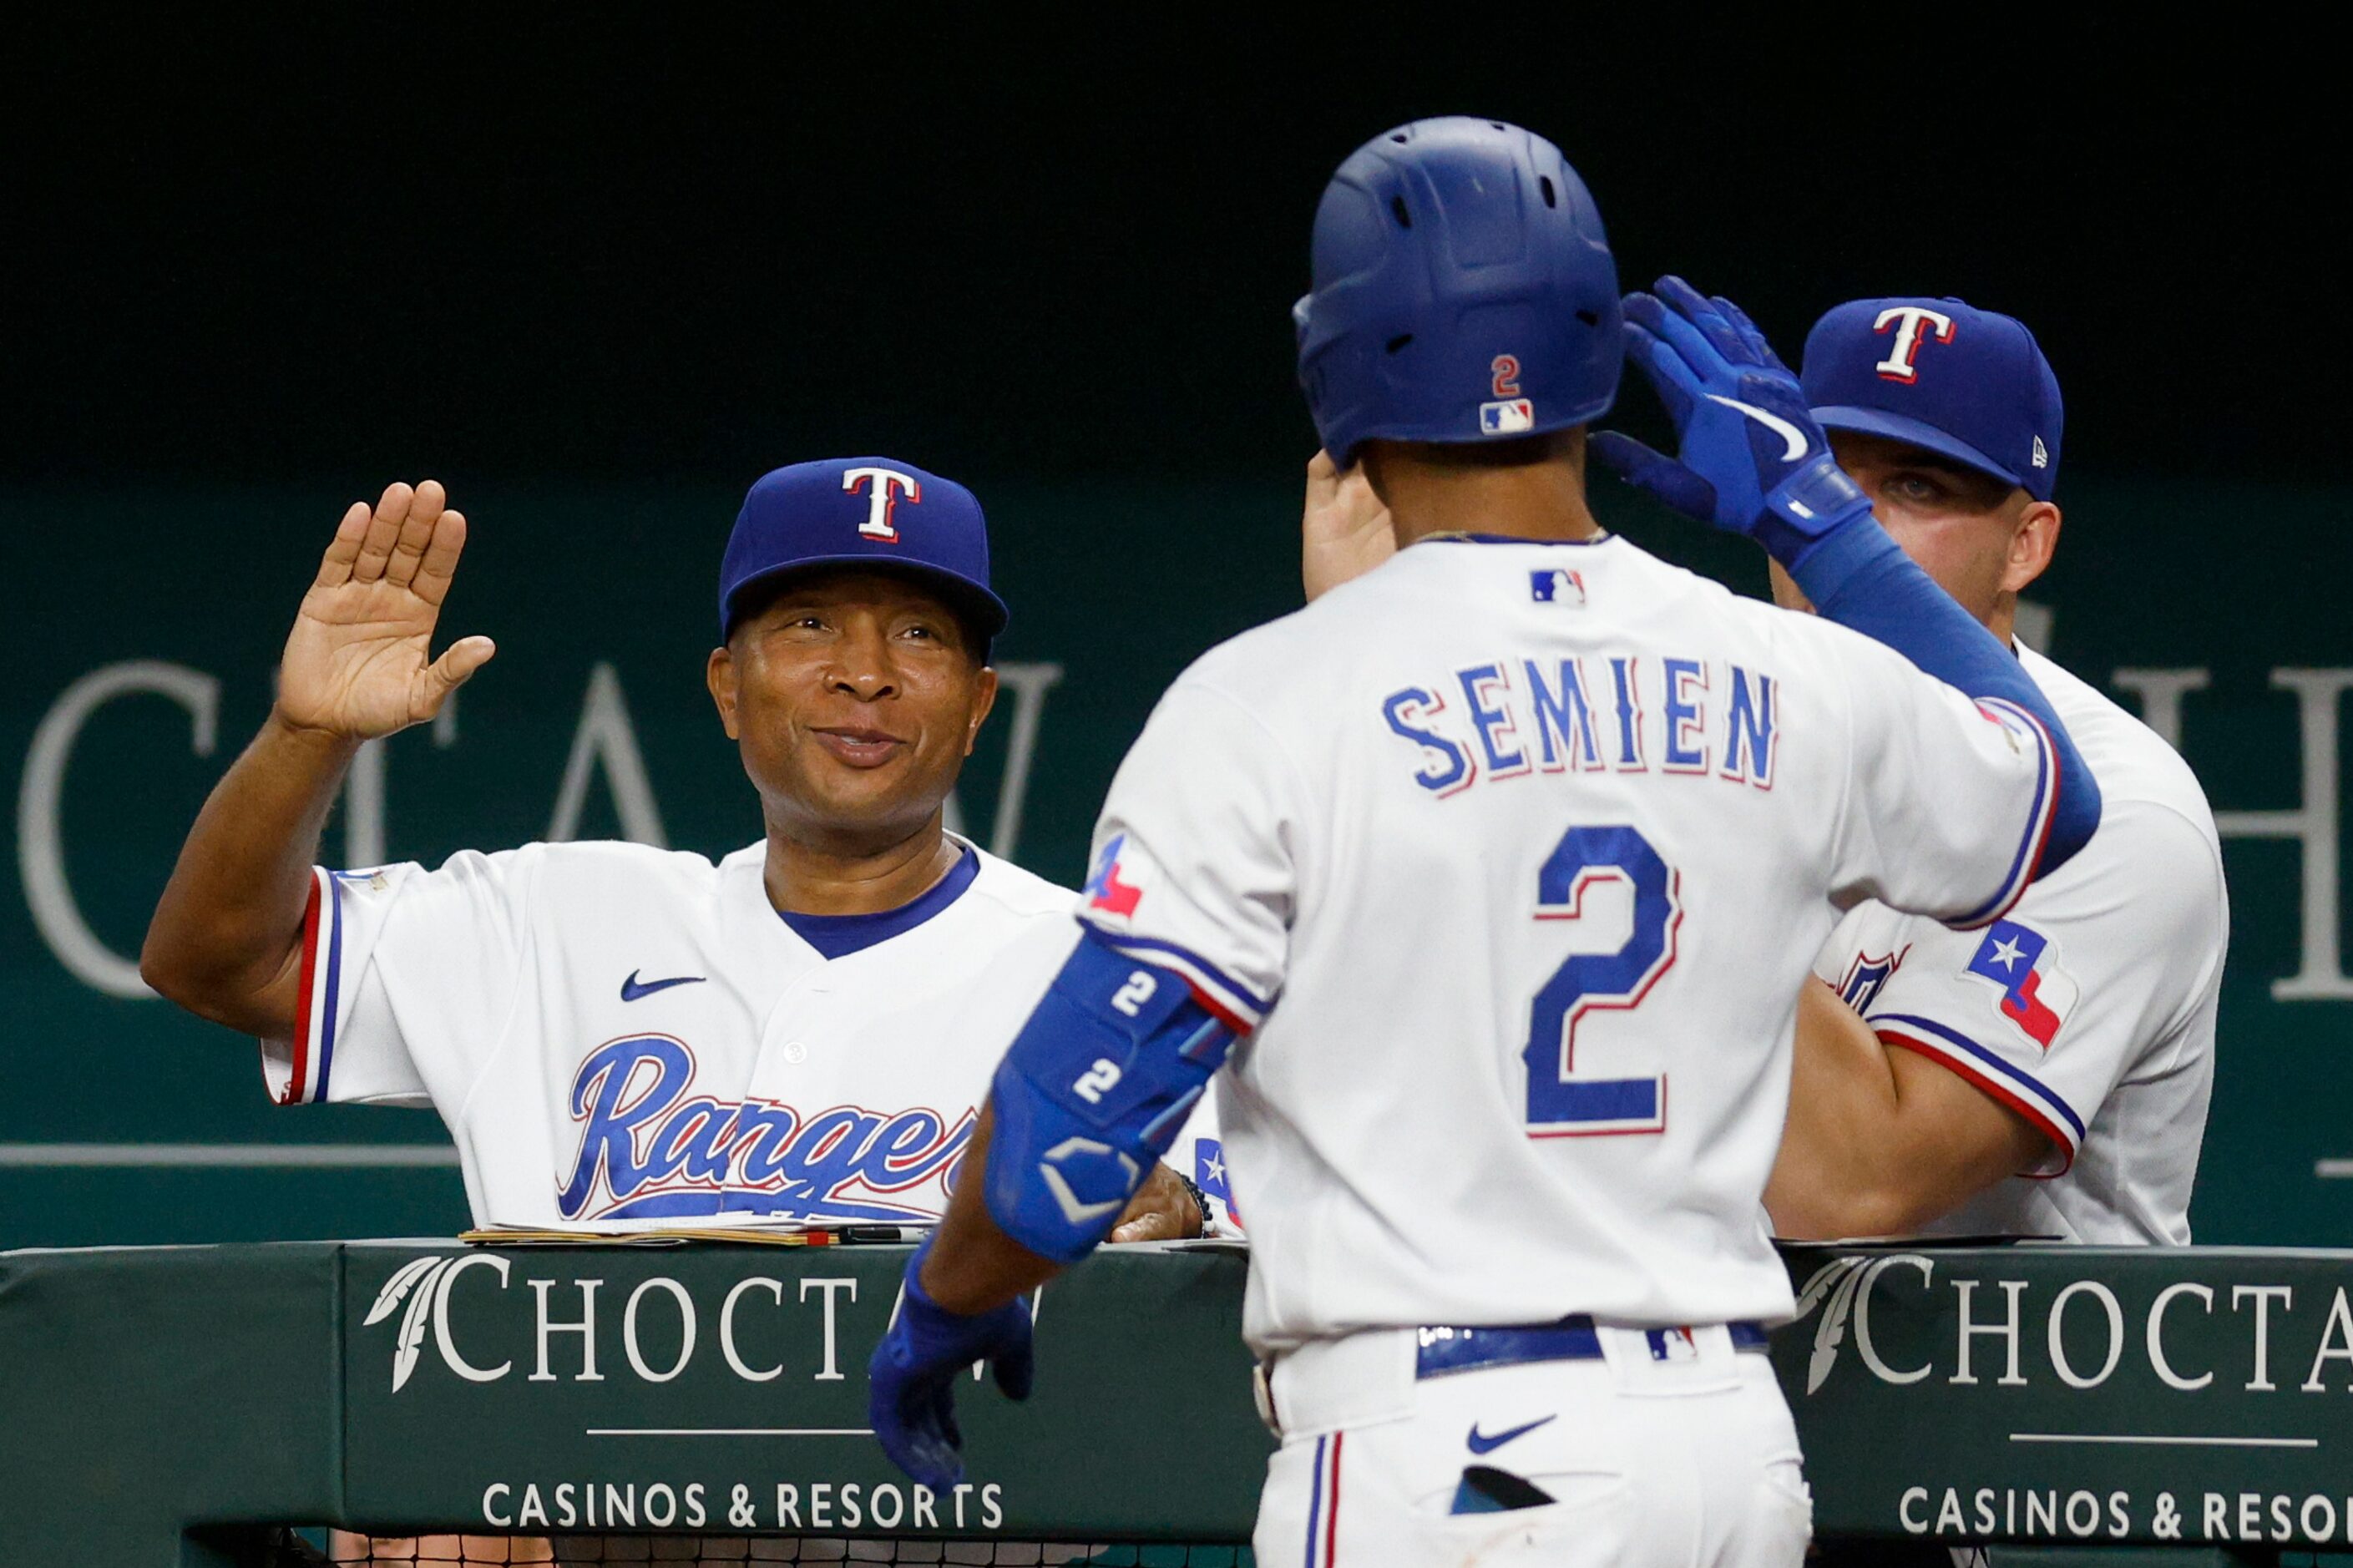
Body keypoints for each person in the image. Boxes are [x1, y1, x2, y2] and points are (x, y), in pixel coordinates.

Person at [864, 117, 2102, 1567]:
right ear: (1593, 357)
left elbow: (1062, 1145)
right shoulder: (1783, 672)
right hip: (1726, 1448)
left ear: (1336, 370)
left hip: (1455, 1462)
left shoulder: (1270, 699)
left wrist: (953, 1296)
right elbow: (2045, 791)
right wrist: (1819, 520)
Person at [139, 458, 1208, 1242]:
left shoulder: (1111, 974)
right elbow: (218, 963)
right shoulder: (548, 921)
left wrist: (1178, 1212)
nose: (866, 673)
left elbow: (1224, 1263)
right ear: (724, 687)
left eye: (920, 634)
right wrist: (308, 737)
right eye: (810, 625)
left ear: (978, 706)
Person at [1759, 300, 2224, 1244]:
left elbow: (1858, 1188)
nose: (1839, 532)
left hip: (2027, 1387)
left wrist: (1664, 833)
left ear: (2026, 544)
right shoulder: (1716, 719)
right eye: (1817, 479)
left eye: (1916, 488)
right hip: (1741, 1377)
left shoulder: (2119, 810)